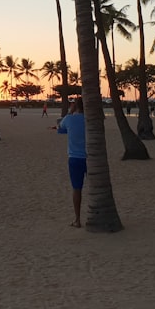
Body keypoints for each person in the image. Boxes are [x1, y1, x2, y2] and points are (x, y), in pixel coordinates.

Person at [57, 97, 87, 228]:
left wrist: (70, 111)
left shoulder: (69, 119)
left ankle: (77, 219)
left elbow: (60, 128)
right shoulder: (90, 119)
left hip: (75, 158)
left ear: (75, 106)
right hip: (91, 158)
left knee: (77, 189)